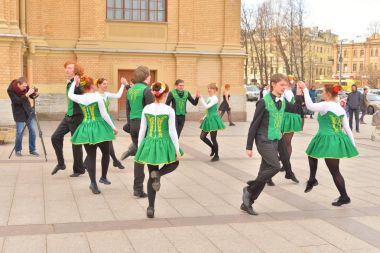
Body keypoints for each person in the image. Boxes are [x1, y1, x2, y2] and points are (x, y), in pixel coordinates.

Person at [241, 74, 302, 215]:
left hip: (275, 140)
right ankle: (249, 189)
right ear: (273, 84)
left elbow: (297, 108)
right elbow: (254, 124)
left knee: (263, 173)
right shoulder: (263, 102)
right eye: (282, 85)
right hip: (263, 140)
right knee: (275, 166)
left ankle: (248, 202)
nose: (284, 88)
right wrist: (249, 146)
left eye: (285, 86)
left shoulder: (284, 101)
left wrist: (299, 91)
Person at [298, 81, 358, 206]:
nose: (322, 93)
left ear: (329, 94)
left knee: (335, 171)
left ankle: (344, 196)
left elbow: (309, 106)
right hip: (337, 139)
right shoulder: (340, 108)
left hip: (327, 139)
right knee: (312, 155)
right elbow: (347, 128)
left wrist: (304, 89)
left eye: (324, 92)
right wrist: (353, 143)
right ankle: (312, 179)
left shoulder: (325, 105)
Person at [134, 81, 182, 218]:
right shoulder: (169, 110)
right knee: (175, 162)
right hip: (165, 141)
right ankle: (159, 174)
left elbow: (142, 129)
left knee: (151, 174)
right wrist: (177, 149)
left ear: (154, 93)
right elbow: (173, 131)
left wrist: (140, 146)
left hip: (149, 142)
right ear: (165, 94)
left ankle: (150, 208)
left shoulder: (146, 108)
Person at [68, 76, 118, 194]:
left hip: (86, 127)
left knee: (91, 156)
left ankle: (93, 183)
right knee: (106, 153)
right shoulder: (97, 97)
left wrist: (74, 83)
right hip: (99, 127)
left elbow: (70, 94)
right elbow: (105, 115)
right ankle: (103, 177)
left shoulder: (79, 97)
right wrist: (113, 127)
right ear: (92, 86)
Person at [51, 61, 86, 177]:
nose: (67, 70)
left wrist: (77, 85)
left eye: (70, 68)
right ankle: (61, 164)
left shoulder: (81, 80)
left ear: (76, 70)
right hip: (68, 116)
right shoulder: (69, 82)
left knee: (76, 143)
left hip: (77, 116)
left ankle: (79, 169)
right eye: (66, 68)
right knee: (55, 137)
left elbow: (82, 92)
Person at [126, 66, 154, 198]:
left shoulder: (130, 90)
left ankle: (138, 188)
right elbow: (151, 111)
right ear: (146, 76)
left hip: (133, 126)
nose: (150, 77)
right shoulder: (147, 90)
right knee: (146, 155)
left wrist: (130, 125)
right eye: (149, 75)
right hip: (144, 126)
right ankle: (148, 183)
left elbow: (128, 110)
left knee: (139, 155)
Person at [96, 77, 127, 169]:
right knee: (102, 142)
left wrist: (122, 85)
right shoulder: (95, 95)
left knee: (107, 141)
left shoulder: (106, 94)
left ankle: (115, 161)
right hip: (100, 121)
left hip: (107, 119)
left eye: (106, 83)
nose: (106, 85)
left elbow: (118, 95)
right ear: (98, 85)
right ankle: (115, 161)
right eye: (104, 84)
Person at [7, 77, 39, 157]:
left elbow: (31, 96)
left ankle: (32, 150)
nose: (25, 88)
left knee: (33, 131)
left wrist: (34, 94)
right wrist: (27, 94)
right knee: (19, 132)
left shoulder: (26, 87)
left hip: (28, 111)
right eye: (24, 86)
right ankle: (18, 150)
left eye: (26, 86)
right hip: (18, 112)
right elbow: (16, 101)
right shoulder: (10, 90)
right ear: (18, 84)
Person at [199, 83, 225, 162]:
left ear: (214, 90)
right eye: (208, 88)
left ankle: (216, 155)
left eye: (210, 88)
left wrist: (201, 98)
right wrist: (204, 117)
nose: (209, 90)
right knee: (202, 137)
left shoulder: (215, 98)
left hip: (213, 119)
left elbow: (207, 106)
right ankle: (213, 148)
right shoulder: (209, 98)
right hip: (208, 118)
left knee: (213, 138)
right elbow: (208, 110)